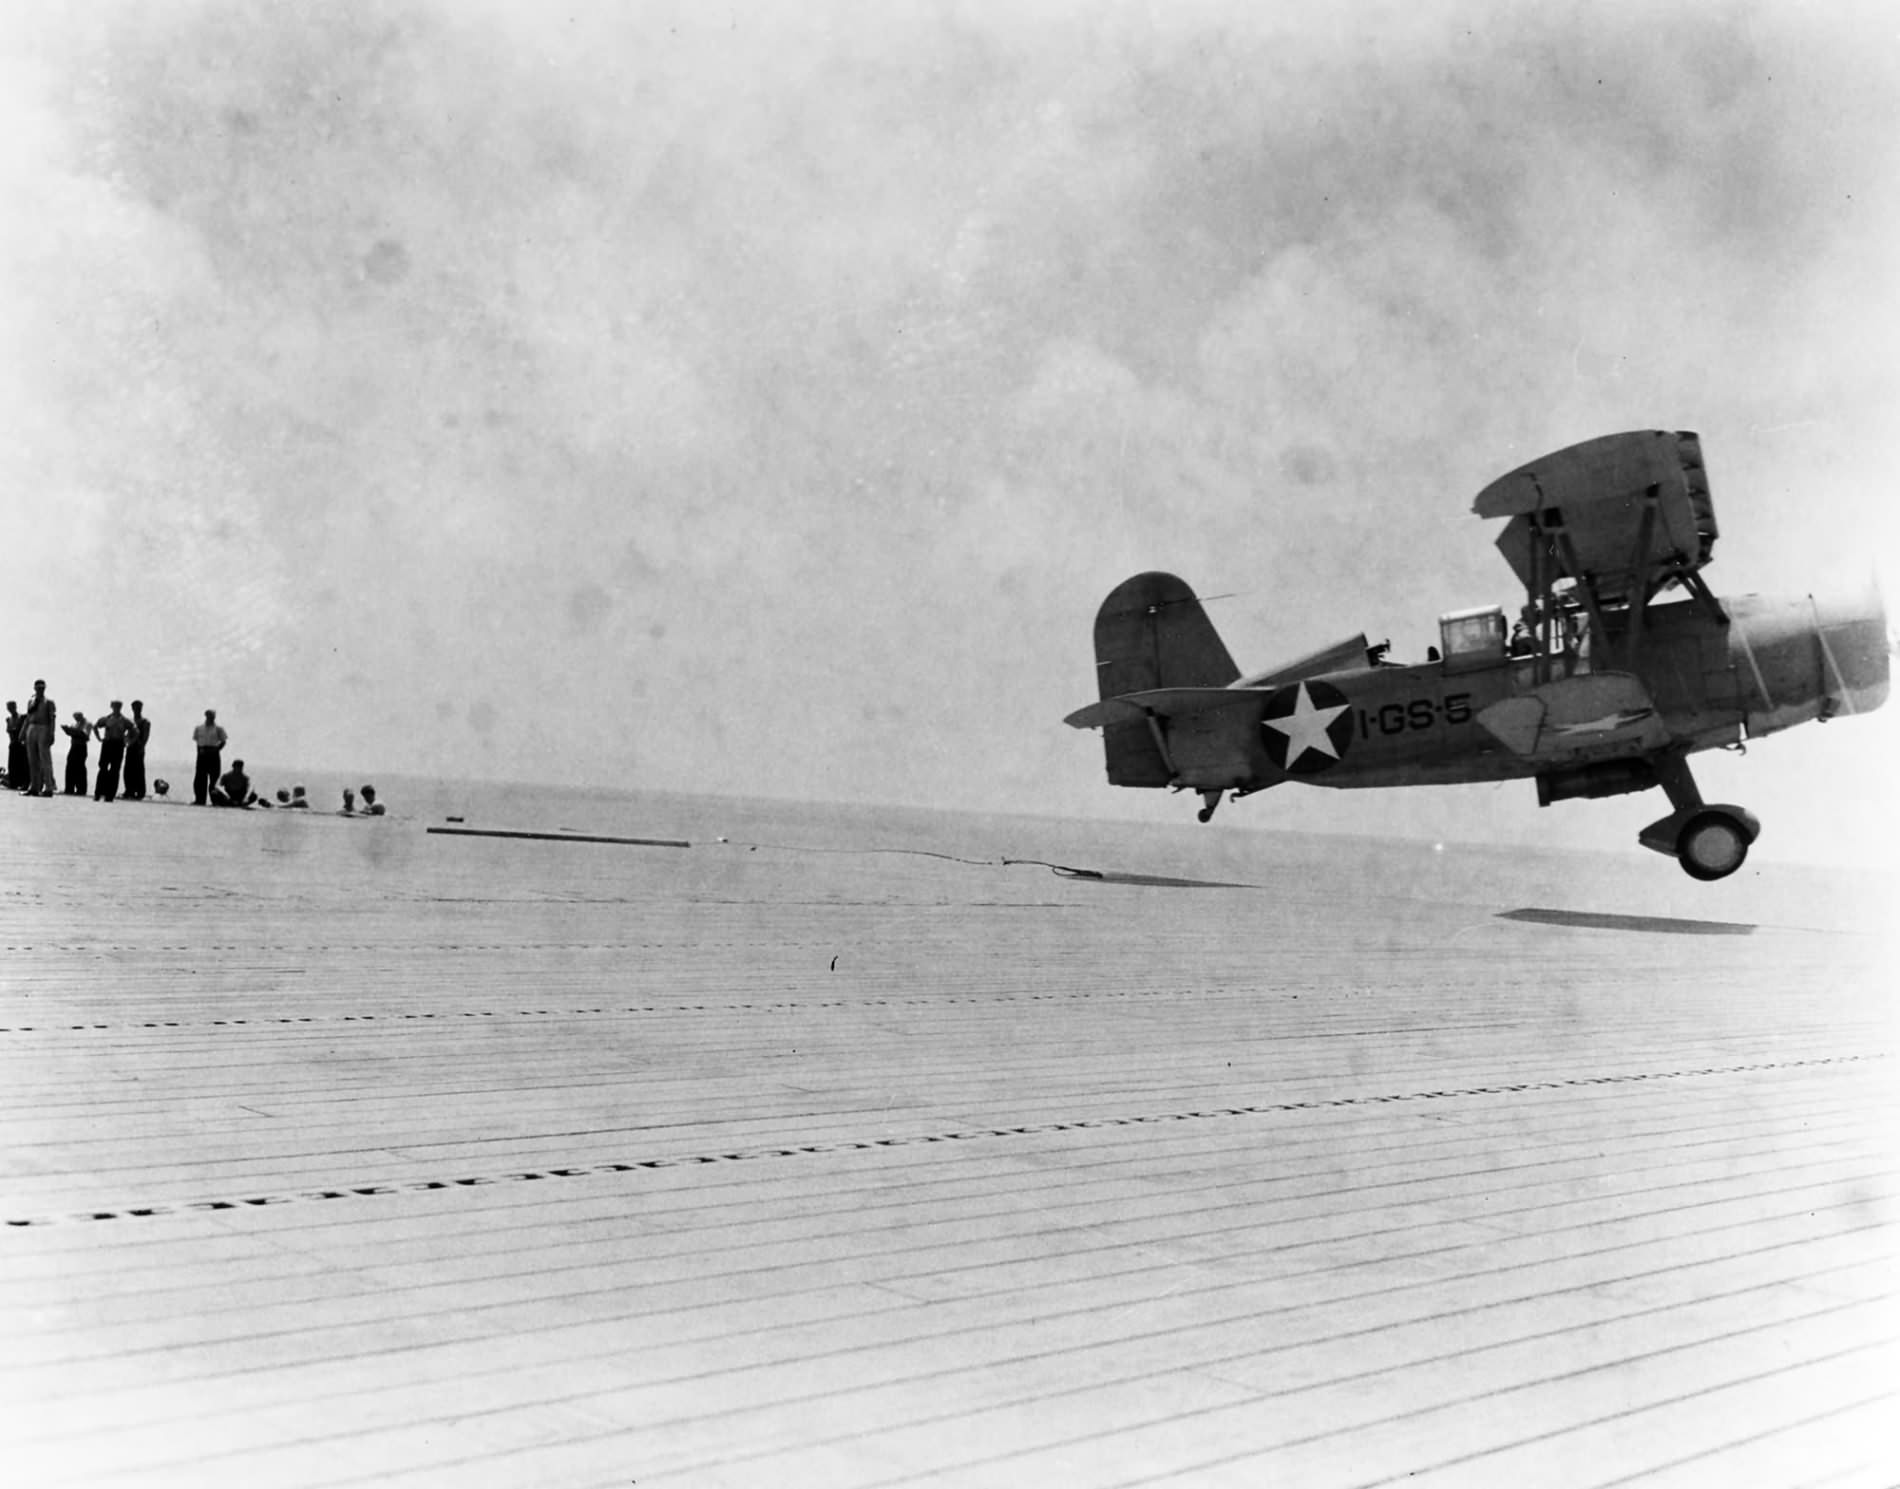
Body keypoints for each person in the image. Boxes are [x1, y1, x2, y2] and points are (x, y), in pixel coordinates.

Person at [92, 701, 134, 803]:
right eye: (115, 706)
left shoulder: (124, 720)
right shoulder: (106, 719)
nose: (116, 708)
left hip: (118, 745)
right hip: (107, 743)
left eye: (118, 706)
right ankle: (98, 793)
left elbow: (135, 731)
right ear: (111, 707)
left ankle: (110, 795)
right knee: (103, 768)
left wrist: (128, 741)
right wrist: (99, 738)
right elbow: (95, 726)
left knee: (115, 770)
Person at [23, 681, 56, 797]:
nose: (40, 690)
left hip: (43, 727)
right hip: (32, 727)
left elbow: (52, 718)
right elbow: (28, 717)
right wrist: (23, 732)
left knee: (45, 759)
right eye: (38, 688)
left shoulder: (49, 702)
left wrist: (51, 733)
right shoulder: (31, 701)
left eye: (42, 688)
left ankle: (49, 787)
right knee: (32, 759)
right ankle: (34, 787)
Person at [192, 709, 227, 806]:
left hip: (213, 753)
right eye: (208, 716)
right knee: (200, 778)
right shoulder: (199, 728)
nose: (210, 718)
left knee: (214, 778)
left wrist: (216, 750)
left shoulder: (219, 729)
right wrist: (199, 752)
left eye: (212, 716)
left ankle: (215, 800)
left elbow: (223, 741)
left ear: (214, 717)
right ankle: (200, 800)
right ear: (205, 716)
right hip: (202, 753)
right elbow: (197, 741)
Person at [123, 701, 151, 801]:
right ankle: (129, 790)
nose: (137, 710)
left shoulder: (145, 721)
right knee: (128, 770)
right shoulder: (130, 721)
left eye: (138, 708)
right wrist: (126, 742)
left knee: (139, 770)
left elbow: (146, 736)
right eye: (135, 708)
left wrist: (142, 746)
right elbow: (127, 734)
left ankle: (140, 792)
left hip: (139, 748)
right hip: (130, 747)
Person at [60, 711, 91, 796]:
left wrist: (74, 731)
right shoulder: (75, 724)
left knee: (80, 768)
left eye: (77, 717)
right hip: (73, 746)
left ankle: (81, 789)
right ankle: (69, 788)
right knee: (70, 766)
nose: (76, 719)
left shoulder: (87, 724)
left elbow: (85, 735)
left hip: (81, 747)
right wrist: (67, 730)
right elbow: (72, 732)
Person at [4, 701, 23, 789]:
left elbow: (19, 729)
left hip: (19, 743)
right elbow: (9, 730)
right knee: (12, 765)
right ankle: (13, 782)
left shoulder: (20, 718)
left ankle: (19, 781)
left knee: (19, 764)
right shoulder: (9, 719)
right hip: (12, 743)